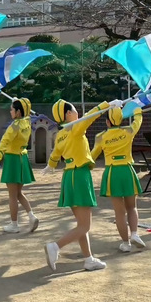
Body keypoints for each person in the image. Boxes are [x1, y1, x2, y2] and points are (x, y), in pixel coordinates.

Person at [42, 97, 115, 272]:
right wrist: (107, 105)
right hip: (80, 175)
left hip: (69, 176)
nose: (77, 112)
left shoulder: (61, 134)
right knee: (85, 226)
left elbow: (55, 154)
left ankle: (88, 259)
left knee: (81, 224)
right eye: (74, 109)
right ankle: (55, 246)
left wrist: (50, 166)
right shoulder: (75, 127)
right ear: (68, 114)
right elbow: (90, 116)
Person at [91, 103, 145, 252]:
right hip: (127, 170)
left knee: (119, 212)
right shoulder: (128, 131)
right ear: (121, 119)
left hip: (112, 172)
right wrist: (137, 109)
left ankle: (126, 243)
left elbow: (92, 156)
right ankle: (134, 233)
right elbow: (138, 120)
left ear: (107, 121)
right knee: (132, 207)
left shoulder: (100, 136)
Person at [0, 97, 39, 234]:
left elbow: (4, 142)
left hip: (12, 159)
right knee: (18, 193)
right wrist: (23, 104)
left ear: (18, 112)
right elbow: (27, 113)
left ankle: (14, 224)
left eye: (12, 109)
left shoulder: (14, 126)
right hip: (23, 158)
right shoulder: (27, 122)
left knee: (12, 195)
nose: (10, 111)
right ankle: (31, 216)